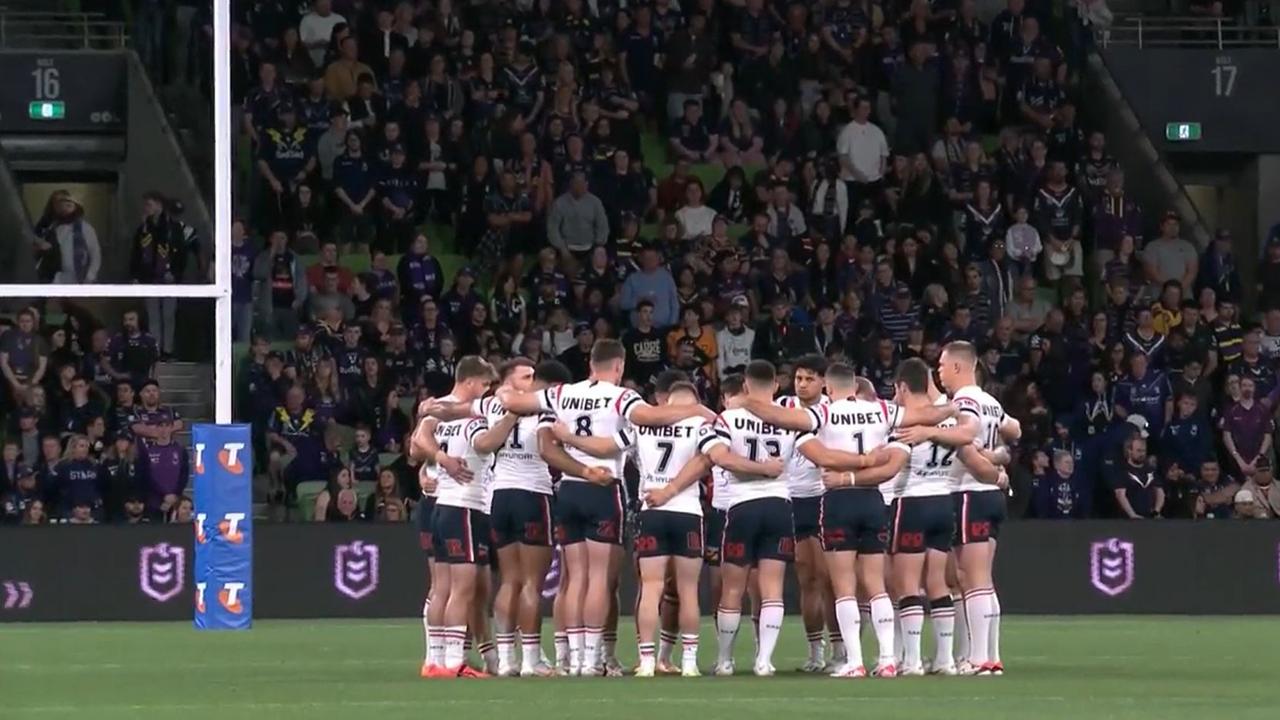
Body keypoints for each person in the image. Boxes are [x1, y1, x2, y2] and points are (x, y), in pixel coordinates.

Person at [478, 339, 713, 676]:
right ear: (618, 366)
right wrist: (695, 410)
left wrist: (503, 393)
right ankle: (591, 659)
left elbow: (514, 400)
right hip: (603, 489)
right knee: (600, 580)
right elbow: (652, 416)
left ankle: (570, 658)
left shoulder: (562, 394)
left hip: (569, 489)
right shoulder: (622, 397)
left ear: (590, 363)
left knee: (574, 579)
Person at [893, 342, 1021, 675]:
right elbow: (1014, 430)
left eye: (942, 366)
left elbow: (967, 432)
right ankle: (987, 656)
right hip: (990, 494)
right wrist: (996, 455)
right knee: (981, 581)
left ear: (959, 368)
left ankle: (979, 659)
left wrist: (928, 430)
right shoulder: (990, 401)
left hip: (969, 493)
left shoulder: (964, 400)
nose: (939, 372)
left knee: (971, 578)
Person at [416, 357, 513, 678]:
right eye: (485, 385)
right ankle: (454, 661)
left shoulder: (440, 413)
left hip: (442, 504)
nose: (486, 391)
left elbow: (418, 446)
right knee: (462, 589)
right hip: (463, 506)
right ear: (471, 381)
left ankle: (436, 661)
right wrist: (511, 417)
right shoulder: (471, 417)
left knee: (442, 587)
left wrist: (435, 461)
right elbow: (483, 444)